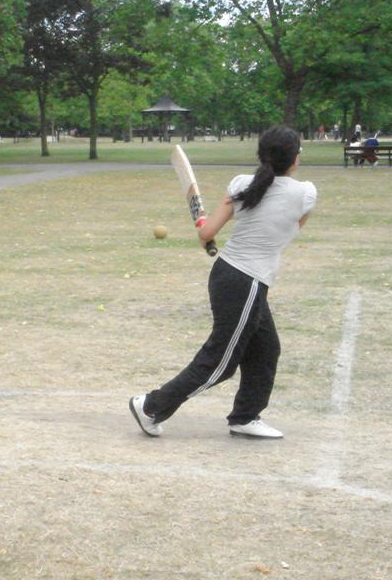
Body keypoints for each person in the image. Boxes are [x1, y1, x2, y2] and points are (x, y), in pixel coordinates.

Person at [129, 125, 316, 440]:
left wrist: (206, 227)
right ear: (294, 159)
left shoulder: (243, 184)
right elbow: (292, 226)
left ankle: (245, 416)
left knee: (266, 349)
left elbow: (206, 234)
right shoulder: (305, 194)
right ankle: (151, 406)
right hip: (246, 282)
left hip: (230, 276)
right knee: (221, 362)